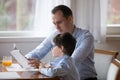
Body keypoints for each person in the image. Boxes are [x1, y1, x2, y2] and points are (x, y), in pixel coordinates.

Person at [25, 5, 97, 80]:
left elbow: (72, 62)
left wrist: (43, 65)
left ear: (70, 19)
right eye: (54, 23)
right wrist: (25, 59)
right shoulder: (56, 34)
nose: (56, 27)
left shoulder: (86, 37)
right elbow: (37, 52)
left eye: (59, 22)